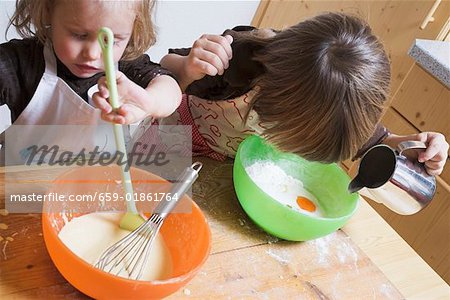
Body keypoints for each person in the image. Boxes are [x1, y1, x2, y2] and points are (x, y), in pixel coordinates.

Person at [136, 12, 448, 176]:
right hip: (162, 145)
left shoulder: (336, 110)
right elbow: (162, 68)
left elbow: (373, 142)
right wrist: (190, 68)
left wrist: (413, 148)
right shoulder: (238, 59)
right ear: (273, 95)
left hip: (217, 169)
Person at [0, 0, 181, 164]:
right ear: (48, 12)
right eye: (79, 35)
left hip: (100, 189)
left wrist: (150, 102)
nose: (93, 54)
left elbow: (169, 87)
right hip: (23, 189)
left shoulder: (127, 65)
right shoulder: (18, 63)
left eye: (111, 41)